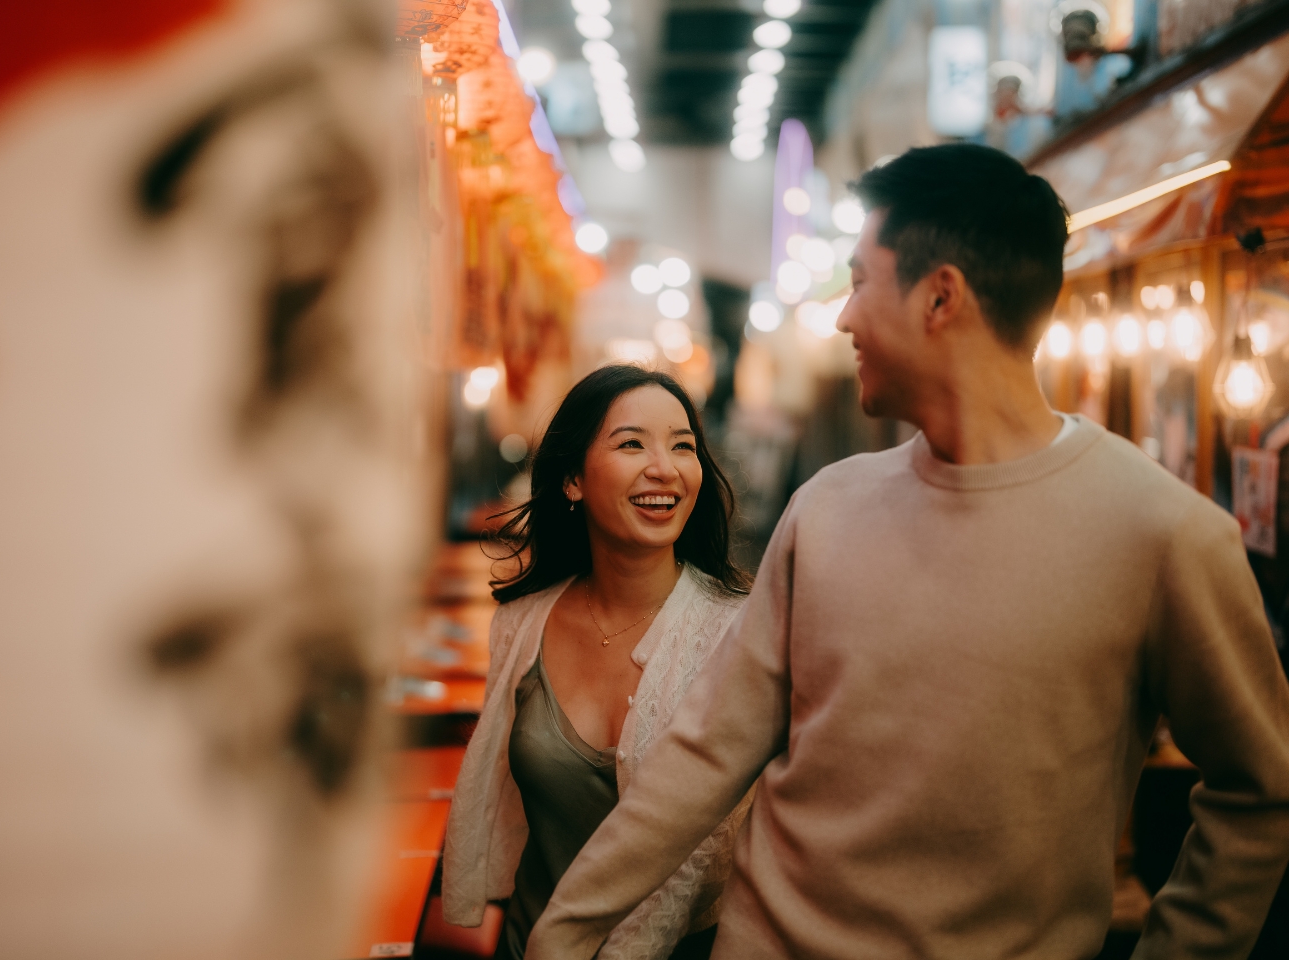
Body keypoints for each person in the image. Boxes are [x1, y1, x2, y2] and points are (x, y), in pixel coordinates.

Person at [526, 144, 1289, 959]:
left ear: (939, 297)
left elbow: (1261, 790)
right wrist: (567, 929)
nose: (842, 316)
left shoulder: (1165, 534)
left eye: (859, 281)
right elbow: (706, 752)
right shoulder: (826, 507)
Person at [442, 365, 755, 960]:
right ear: (571, 480)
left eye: (683, 446)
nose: (664, 468)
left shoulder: (743, 633)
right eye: (631, 443)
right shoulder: (520, 625)